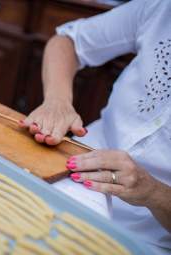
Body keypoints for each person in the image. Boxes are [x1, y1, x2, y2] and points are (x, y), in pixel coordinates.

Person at [19, 0, 171, 253]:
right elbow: (67, 42)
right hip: (67, 172)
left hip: (140, 237)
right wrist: (58, 100)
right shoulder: (159, 7)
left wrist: (153, 192)